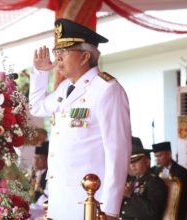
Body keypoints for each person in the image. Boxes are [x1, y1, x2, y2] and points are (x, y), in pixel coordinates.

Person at [29, 18, 131, 219]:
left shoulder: (107, 89)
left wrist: (110, 208)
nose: (57, 59)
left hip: (91, 201)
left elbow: (118, 151)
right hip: (60, 200)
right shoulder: (65, 88)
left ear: (85, 56)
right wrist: (40, 72)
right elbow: (36, 107)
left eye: (63, 52)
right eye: (56, 52)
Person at [120, 137, 167, 220]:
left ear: (147, 162)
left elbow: (152, 212)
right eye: (130, 162)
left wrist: (130, 195)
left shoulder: (154, 182)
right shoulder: (133, 180)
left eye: (135, 161)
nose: (131, 165)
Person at [151, 142, 187, 220]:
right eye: (156, 157)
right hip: (157, 210)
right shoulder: (154, 170)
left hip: (175, 210)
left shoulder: (181, 171)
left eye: (160, 156)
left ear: (169, 154)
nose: (157, 159)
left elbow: (182, 198)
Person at [30, 141, 49, 220]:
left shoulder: (49, 176)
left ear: (47, 159)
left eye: (39, 158)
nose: (35, 161)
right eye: (34, 157)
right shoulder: (32, 174)